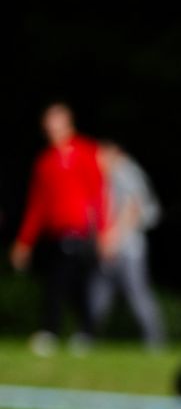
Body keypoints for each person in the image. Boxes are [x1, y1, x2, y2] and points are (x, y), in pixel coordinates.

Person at [8, 102, 106, 354]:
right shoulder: (45, 162)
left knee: (69, 284)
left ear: (67, 122)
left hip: (80, 234)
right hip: (54, 235)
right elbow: (37, 207)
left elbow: (97, 195)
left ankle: (63, 330)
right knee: (61, 282)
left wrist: (103, 232)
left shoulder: (86, 152)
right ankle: (79, 330)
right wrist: (24, 241)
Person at [91, 144, 166, 347]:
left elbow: (133, 209)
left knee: (137, 293)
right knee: (99, 292)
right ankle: (88, 335)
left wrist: (112, 238)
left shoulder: (127, 173)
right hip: (110, 247)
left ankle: (155, 340)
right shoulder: (107, 177)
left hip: (129, 248)